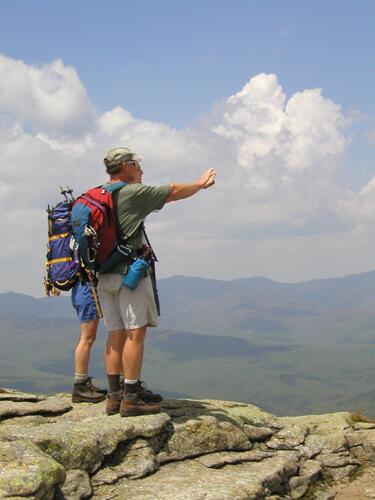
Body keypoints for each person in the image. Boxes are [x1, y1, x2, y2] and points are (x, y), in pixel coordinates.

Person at [98, 147, 216, 417]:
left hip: (103, 276)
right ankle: (131, 398)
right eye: (137, 165)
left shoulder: (98, 194)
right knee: (135, 333)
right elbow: (173, 191)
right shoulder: (132, 192)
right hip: (129, 274)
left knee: (114, 334)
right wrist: (199, 184)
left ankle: (113, 397)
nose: (141, 170)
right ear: (125, 167)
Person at [71, 278, 108, 403]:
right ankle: (80, 386)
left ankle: (81, 383)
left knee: (86, 338)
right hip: (87, 291)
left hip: (79, 291)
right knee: (87, 339)